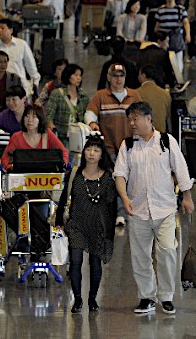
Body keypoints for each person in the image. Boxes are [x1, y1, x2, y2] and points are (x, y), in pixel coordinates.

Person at [113, 101, 194, 315]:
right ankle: (147, 296)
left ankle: (166, 296)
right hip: (137, 210)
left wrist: (187, 196)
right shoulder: (128, 145)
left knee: (167, 251)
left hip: (165, 209)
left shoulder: (166, 142)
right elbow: (120, 174)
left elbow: (181, 169)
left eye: (135, 118)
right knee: (140, 256)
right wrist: (124, 198)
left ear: (149, 119)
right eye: (130, 119)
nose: (132, 123)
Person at [55, 134, 117, 313]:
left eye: (96, 150)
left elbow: (111, 206)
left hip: (98, 225)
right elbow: (64, 197)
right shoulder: (74, 174)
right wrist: (60, 220)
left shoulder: (107, 178)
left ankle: (92, 299)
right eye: (88, 149)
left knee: (95, 263)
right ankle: (77, 299)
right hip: (76, 223)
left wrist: (110, 232)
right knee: (75, 261)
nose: (91, 153)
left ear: (101, 154)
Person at [85, 63, 142, 227]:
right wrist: (91, 123)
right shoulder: (100, 96)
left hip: (131, 147)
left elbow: (143, 115)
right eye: (115, 76)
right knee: (114, 180)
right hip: (109, 147)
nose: (118, 79)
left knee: (129, 181)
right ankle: (117, 213)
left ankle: (126, 212)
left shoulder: (134, 96)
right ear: (109, 77)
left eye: (121, 76)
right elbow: (90, 113)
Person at [1, 104, 69, 171]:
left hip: (45, 177)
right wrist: (10, 168)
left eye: (34, 117)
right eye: (27, 116)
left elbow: (64, 152)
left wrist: (63, 165)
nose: (29, 120)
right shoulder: (16, 137)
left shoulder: (48, 134)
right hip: (22, 177)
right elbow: (5, 158)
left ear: (40, 119)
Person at [0, 18, 40, 97]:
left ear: (11, 30)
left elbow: (30, 65)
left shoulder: (22, 44)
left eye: (2, 28)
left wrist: (35, 82)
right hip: (0, 85)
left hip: (19, 85)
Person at [46, 63, 90, 147]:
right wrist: (51, 126)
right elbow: (49, 114)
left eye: (80, 75)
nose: (78, 78)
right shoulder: (57, 93)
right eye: (75, 75)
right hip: (61, 136)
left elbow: (87, 115)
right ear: (68, 75)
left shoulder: (83, 96)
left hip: (78, 136)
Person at [155, 0, 191, 74]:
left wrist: (188, 34)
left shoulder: (181, 9)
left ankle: (178, 81)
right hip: (164, 40)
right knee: (164, 62)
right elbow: (157, 26)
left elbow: (186, 22)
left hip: (176, 38)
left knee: (178, 63)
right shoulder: (160, 10)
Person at [137, 65, 171, 133]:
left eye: (139, 74)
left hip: (143, 136)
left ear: (143, 75)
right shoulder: (165, 94)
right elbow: (167, 116)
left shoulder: (136, 93)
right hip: (160, 135)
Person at [116, 0, 147, 64]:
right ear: (130, 6)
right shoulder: (122, 17)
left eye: (138, 5)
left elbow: (143, 31)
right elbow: (119, 31)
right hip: (124, 42)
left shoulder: (142, 18)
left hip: (136, 42)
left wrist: (139, 39)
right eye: (134, 5)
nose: (136, 7)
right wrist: (124, 39)